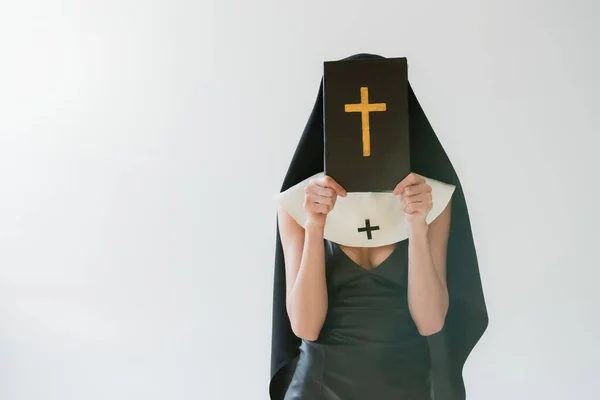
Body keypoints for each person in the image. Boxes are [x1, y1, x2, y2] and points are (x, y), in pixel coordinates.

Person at [269, 53, 488, 400]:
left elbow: (430, 321)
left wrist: (417, 225)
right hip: (318, 389)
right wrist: (315, 226)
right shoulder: (299, 205)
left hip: (407, 388)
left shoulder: (432, 201)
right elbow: (305, 327)